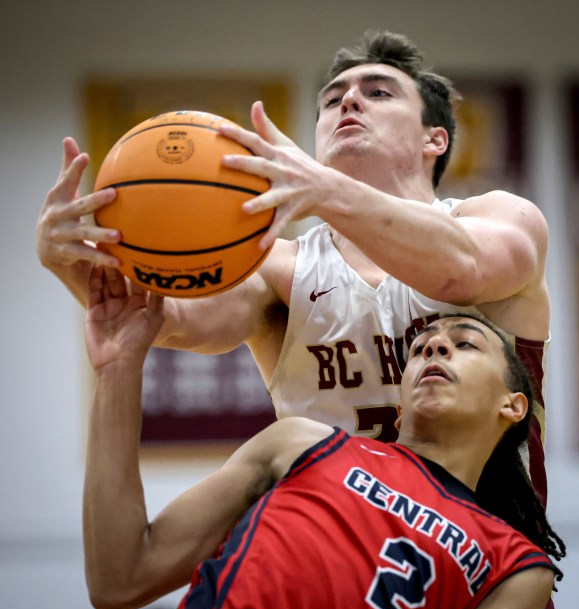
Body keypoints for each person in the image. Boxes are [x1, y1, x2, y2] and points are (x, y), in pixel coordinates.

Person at [37, 32, 550, 498]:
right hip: (337, 573)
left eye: (379, 92)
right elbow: (162, 320)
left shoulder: (501, 216)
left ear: (433, 139)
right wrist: (73, 264)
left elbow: (466, 269)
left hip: (487, 572)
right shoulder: (278, 267)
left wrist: (328, 193)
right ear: (318, 143)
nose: (348, 100)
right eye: (332, 99)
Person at [82, 266, 564, 609]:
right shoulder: (300, 444)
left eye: (464, 343)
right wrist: (117, 369)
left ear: (513, 405)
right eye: (419, 349)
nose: (434, 347)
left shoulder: (517, 566)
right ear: (400, 402)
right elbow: (120, 578)